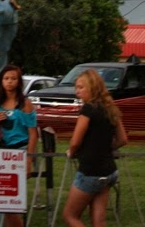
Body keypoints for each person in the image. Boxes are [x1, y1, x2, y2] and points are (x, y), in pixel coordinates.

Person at [62, 68, 127, 227]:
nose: (77, 91)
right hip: (110, 171)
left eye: (81, 87)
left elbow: (76, 141)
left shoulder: (88, 109)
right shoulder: (111, 108)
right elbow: (123, 139)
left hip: (90, 171)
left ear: (93, 87)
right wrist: (105, 148)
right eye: (76, 87)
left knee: (70, 216)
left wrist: (71, 151)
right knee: (99, 220)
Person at [0, 64, 38, 227]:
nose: (9, 82)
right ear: (1, 81)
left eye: (13, 78)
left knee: (13, 202)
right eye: (6, 78)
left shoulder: (25, 104)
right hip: (4, 152)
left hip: (22, 150)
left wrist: (29, 160)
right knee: (5, 201)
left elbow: (33, 134)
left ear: (19, 82)